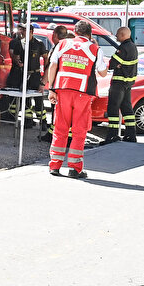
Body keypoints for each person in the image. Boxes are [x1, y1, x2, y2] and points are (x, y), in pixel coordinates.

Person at [45, 19, 99, 179]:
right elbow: (103, 72)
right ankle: (75, 168)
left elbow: (53, 65)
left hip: (62, 90)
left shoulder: (62, 44)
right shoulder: (94, 48)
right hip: (82, 92)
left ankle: (54, 165)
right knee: (79, 130)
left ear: (75, 31)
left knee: (60, 128)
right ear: (90, 33)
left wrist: (51, 89)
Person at [7, 23, 47, 128]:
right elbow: (15, 56)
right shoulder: (19, 43)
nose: (22, 32)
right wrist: (18, 61)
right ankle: (28, 120)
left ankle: (43, 122)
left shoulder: (39, 43)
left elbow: (46, 58)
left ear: (31, 32)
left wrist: (45, 74)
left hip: (35, 74)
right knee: (26, 100)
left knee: (38, 99)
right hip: (23, 74)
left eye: (25, 30)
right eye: (22, 30)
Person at [103, 26, 139, 143]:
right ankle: (131, 135)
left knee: (113, 108)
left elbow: (112, 63)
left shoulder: (123, 48)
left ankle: (112, 136)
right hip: (128, 83)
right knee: (127, 109)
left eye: (118, 34)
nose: (116, 36)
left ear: (123, 35)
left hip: (119, 83)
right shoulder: (133, 46)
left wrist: (117, 64)